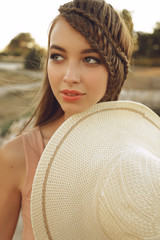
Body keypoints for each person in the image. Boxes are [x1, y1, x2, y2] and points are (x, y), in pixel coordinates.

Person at [0, 0, 134, 239]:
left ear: (116, 70)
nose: (69, 76)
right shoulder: (18, 156)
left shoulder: (140, 157)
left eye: (90, 59)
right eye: (57, 56)